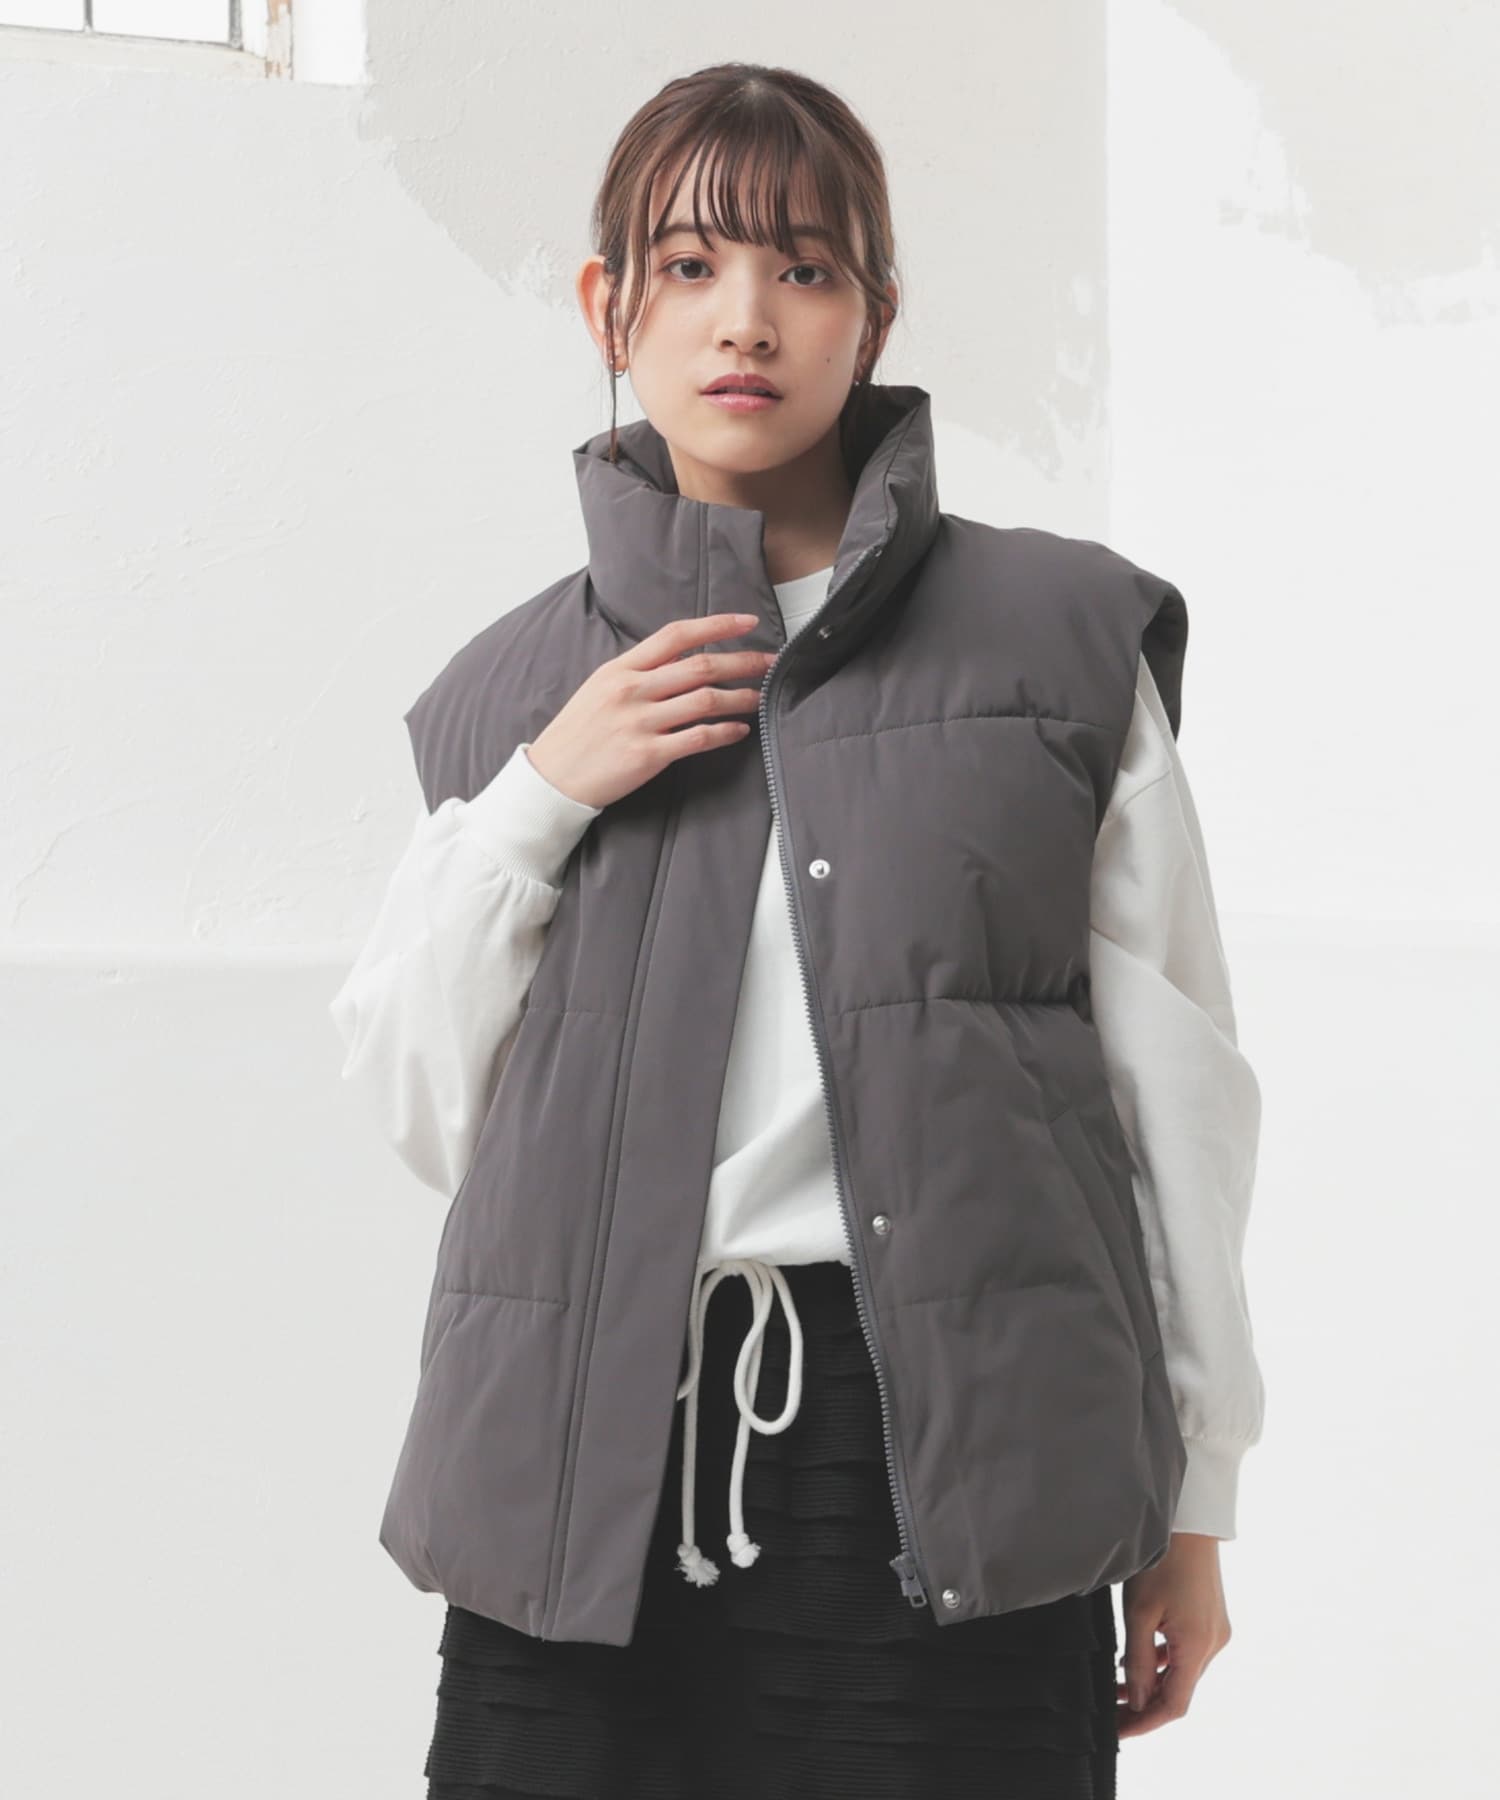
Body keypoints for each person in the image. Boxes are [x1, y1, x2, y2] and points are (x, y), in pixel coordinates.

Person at [328, 60, 1264, 1800]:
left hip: (952, 1462)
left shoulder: (1057, 643)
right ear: (608, 305)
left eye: (803, 268)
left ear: (873, 315)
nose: (743, 317)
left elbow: (1182, 1098)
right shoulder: (512, 695)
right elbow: (426, 1108)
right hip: (580, 1470)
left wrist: (1194, 1504)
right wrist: (544, 792)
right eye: (688, 266)